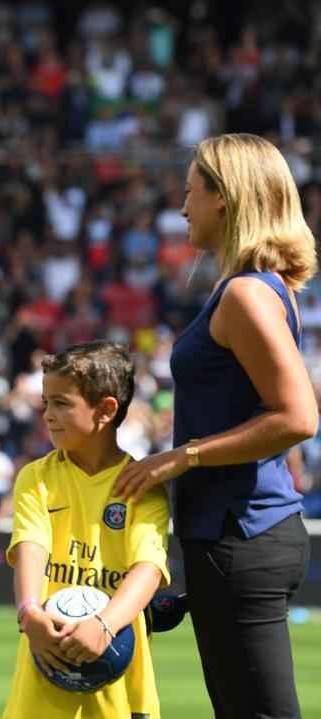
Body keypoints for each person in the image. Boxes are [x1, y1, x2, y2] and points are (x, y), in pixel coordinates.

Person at [113, 133, 318, 718]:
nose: (182, 208)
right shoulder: (256, 288)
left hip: (242, 534)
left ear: (224, 198)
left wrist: (183, 457)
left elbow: (298, 416)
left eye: (190, 192)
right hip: (238, 533)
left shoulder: (248, 295)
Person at [5, 341, 169, 719]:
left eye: (62, 403)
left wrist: (104, 625)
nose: (47, 415)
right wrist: (30, 612)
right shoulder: (36, 477)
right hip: (47, 666)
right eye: (46, 403)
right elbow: (31, 546)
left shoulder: (142, 485)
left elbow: (148, 568)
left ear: (106, 410)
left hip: (119, 671)